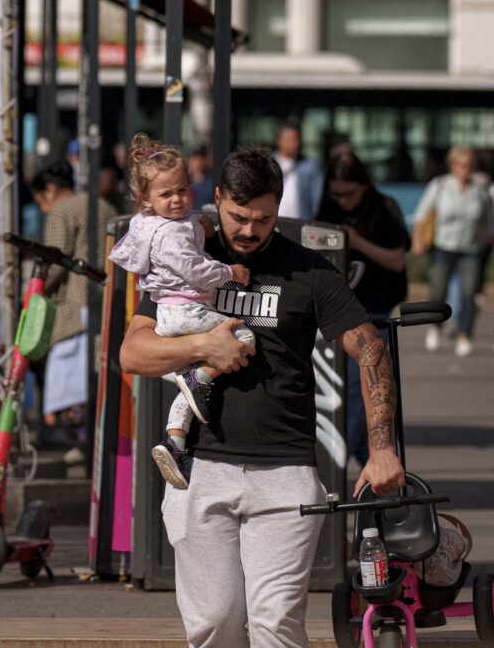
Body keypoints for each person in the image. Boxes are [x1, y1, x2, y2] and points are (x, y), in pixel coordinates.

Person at [120, 146, 404, 648]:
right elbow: (133, 353)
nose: (249, 231)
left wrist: (381, 449)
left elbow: (371, 350)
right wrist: (204, 345)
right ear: (218, 199)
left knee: (276, 626)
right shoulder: (184, 255)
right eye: (238, 217)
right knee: (216, 623)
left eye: (263, 219)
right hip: (199, 472)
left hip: (285, 474)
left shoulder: (310, 271)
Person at [107, 136, 254, 490]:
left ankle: (175, 440)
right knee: (245, 337)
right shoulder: (169, 235)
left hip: (174, 314)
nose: (177, 201)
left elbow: (188, 228)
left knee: (187, 393)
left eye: (183, 191)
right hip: (185, 309)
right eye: (166, 195)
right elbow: (194, 269)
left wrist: (201, 225)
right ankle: (199, 377)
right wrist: (230, 272)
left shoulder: (154, 222)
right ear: (145, 198)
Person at [315, 150, 410, 466]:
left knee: (362, 394)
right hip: (337, 314)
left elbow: (398, 260)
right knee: (337, 395)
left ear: (364, 186)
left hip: (374, 312)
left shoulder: (383, 209)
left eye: (348, 194)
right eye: (336, 194)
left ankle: (335, 462)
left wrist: (357, 242)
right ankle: (376, 471)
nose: (342, 201)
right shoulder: (329, 207)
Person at [30, 160, 115, 446]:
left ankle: (78, 438)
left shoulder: (61, 212)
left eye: (41, 201)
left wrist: (33, 292)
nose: (43, 209)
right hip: (106, 299)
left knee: (71, 384)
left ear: (51, 190)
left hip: (76, 306)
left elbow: (53, 262)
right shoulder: (104, 206)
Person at [411, 145, 494, 358]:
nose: (464, 170)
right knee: (438, 290)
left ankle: (464, 335)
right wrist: (418, 241)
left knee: (469, 293)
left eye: (468, 166)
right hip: (443, 247)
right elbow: (421, 215)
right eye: (460, 165)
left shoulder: (481, 188)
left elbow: (489, 216)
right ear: (452, 166)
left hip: (471, 248)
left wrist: (487, 235)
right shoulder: (440, 186)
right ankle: (435, 327)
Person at [273, 118, 323, 221]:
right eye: (290, 140)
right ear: (278, 140)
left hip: (300, 224)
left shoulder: (310, 166)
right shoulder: (267, 164)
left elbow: (318, 201)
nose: (295, 144)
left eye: (297, 139)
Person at [188, 144, 214, 211]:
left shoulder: (211, 182)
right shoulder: (187, 182)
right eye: (193, 160)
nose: (195, 163)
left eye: (198, 160)